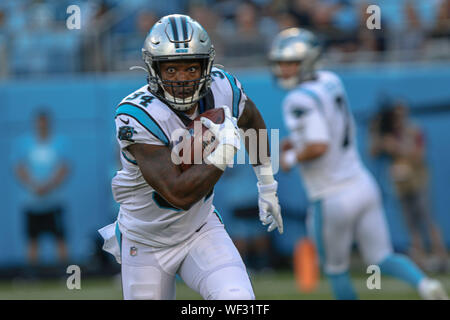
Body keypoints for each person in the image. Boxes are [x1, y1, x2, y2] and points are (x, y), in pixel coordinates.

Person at [98, 14, 283, 300]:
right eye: (171, 70)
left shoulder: (223, 87)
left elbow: (252, 121)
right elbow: (177, 193)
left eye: (190, 68)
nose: (182, 78)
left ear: (206, 66)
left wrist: (267, 185)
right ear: (154, 69)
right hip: (145, 241)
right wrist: (224, 151)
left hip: (200, 229)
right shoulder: (136, 115)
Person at [268, 27, 447, 300]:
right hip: (361, 184)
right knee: (382, 256)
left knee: (336, 270)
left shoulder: (298, 99)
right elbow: (328, 128)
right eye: (281, 63)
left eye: (290, 63)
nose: (284, 70)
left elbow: (319, 145)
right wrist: (297, 141)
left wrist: (290, 158)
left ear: (308, 62)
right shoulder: (331, 80)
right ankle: (425, 285)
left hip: (330, 196)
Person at [370, 102, 449, 273]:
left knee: (428, 219)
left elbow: (419, 155)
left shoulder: (414, 130)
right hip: (401, 184)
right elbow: (373, 152)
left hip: (418, 180)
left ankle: (442, 257)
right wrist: (378, 134)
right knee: (410, 224)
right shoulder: (388, 133)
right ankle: (420, 260)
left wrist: (397, 147)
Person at [14, 110, 70, 266]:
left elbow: (64, 168)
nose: (42, 125)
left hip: (55, 201)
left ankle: (66, 275)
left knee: (60, 238)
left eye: (44, 122)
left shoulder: (60, 142)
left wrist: (48, 186)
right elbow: (19, 168)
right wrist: (34, 185)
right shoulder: (24, 143)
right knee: (32, 240)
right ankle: (32, 276)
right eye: (39, 122)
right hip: (32, 202)